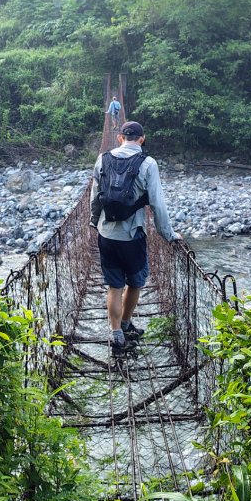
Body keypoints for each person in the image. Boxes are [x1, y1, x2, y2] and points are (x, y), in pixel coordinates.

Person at [89, 120, 181, 357]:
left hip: (106, 234)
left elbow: (95, 196)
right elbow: (158, 204)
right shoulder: (148, 163)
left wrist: (94, 221)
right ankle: (127, 322)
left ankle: (116, 332)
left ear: (120, 137)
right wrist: (168, 235)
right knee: (136, 282)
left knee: (114, 285)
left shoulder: (103, 158)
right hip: (133, 236)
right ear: (142, 139)